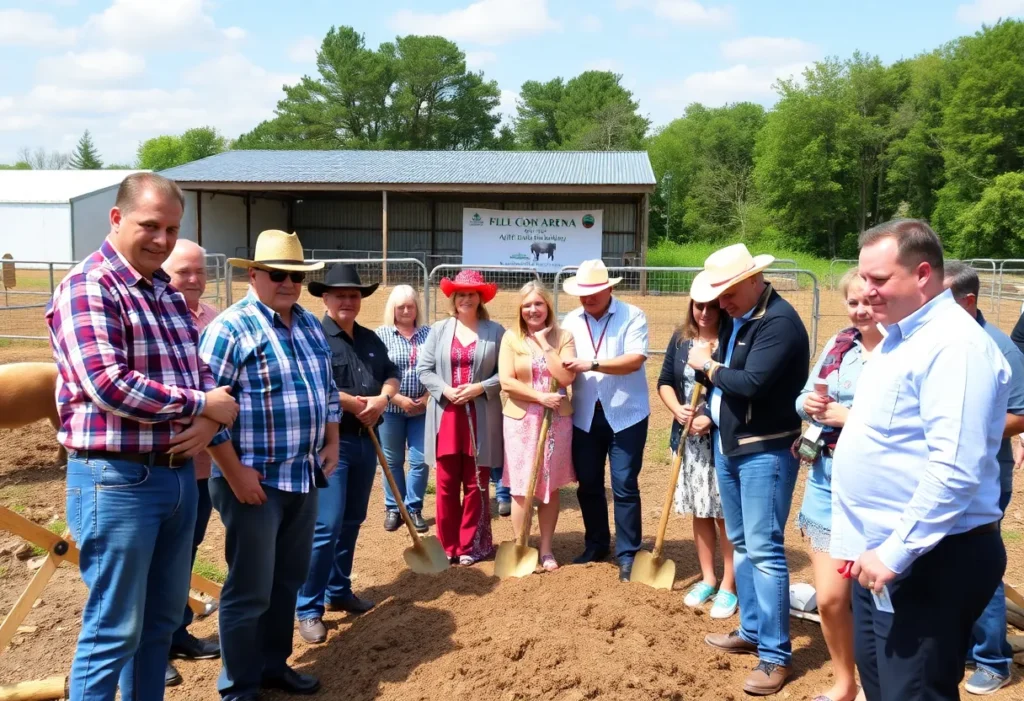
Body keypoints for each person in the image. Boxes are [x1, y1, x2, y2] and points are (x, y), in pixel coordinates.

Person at [46, 173, 239, 701]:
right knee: (114, 629)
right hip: (117, 478)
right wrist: (202, 406)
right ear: (116, 218)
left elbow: (198, 371)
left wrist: (209, 418)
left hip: (174, 476)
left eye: (171, 229)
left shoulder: (165, 294)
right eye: (150, 225)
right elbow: (107, 384)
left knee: (157, 625)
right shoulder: (90, 286)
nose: (162, 239)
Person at [831, 219, 1009, 701]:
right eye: (863, 277)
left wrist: (894, 552)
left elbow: (954, 470)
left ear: (923, 274)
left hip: (930, 558)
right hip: (885, 557)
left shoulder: (955, 346)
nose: (866, 290)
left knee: (913, 692)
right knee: (884, 686)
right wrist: (860, 543)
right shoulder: (899, 337)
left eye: (879, 279)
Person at [200, 230, 339, 701]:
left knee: (287, 581)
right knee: (250, 588)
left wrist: (332, 440)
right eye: (278, 274)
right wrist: (234, 472)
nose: (288, 284)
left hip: (303, 475)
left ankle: (273, 666)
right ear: (254, 275)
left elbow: (327, 391)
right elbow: (207, 409)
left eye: (296, 276)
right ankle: (239, 687)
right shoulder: (230, 329)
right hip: (254, 479)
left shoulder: (309, 325)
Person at [687, 243, 809, 696]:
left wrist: (707, 365)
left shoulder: (778, 322)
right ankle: (753, 630)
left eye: (728, 293)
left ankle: (775, 655)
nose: (722, 303)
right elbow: (729, 382)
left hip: (766, 450)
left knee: (764, 550)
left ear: (753, 280)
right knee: (741, 543)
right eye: (718, 294)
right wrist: (709, 388)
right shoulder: (742, 318)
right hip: (732, 446)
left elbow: (752, 383)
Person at [296, 264, 399, 644]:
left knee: (353, 519)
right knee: (326, 525)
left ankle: (338, 590)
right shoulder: (314, 337)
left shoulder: (370, 338)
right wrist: (355, 403)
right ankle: (308, 606)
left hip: (366, 440)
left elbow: (391, 374)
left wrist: (382, 399)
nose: (348, 301)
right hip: (330, 442)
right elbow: (314, 384)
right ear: (325, 298)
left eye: (353, 295)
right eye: (340, 295)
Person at [793, 268, 882, 701]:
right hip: (825, 480)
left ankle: (878, 685)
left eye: (869, 301)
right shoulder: (839, 344)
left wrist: (851, 419)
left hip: (876, 487)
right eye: (853, 302)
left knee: (875, 601)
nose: (861, 310)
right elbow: (804, 397)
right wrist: (808, 403)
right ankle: (845, 682)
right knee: (830, 598)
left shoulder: (903, 350)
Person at [943, 261, 1024, 696]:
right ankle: (966, 646)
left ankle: (993, 659)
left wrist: (968, 428)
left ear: (968, 301)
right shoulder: (941, 341)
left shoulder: (999, 348)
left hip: (985, 479)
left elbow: (1021, 415)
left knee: (978, 564)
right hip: (946, 474)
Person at [560, 260, 650, 582]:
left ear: (609, 288)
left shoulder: (633, 316)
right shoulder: (570, 321)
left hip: (626, 415)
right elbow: (562, 362)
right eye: (582, 293)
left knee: (624, 485)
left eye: (594, 292)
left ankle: (628, 554)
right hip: (585, 415)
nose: (587, 298)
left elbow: (635, 360)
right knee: (588, 484)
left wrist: (592, 364)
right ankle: (596, 544)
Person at [163, 239, 222, 687]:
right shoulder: (158, 317)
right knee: (154, 557)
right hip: (163, 461)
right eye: (184, 271)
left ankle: (176, 631)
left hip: (203, 465)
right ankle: (152, 644)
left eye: (200, 271)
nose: (194, 279)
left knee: (185, 550)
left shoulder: (213, 319)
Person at [417, 270, 506, 565]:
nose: (466, 299)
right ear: (453, 299)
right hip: (446, 415)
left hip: (481, 417)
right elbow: (424, 369)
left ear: (480, 298)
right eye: (461, 294)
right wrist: (445, 390)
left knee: (475, 484)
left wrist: (480, 387)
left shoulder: (495, 332)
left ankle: (470, 545)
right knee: (445, 485)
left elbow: (506, 374)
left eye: (471, 294)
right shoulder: (439, 330)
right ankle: (448, 545)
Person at [656, 296, 736, 619]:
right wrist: (677, 410)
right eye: (699, 306)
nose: (705, 313)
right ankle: (708, 579)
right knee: (700, 509)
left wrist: (712, 419)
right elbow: (664, 382)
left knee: (724, 513)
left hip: (720, 440)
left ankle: (729, 584)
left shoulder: (731, 340)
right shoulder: (681, 340)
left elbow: (739, 390)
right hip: (689, 442)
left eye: (712, 306)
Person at [498, 281, 577, 571]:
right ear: (520, 309)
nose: (533, 310)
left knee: (550, 487)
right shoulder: (511, 338)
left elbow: (566, 378)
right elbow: (507, 382)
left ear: (548, 306)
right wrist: (540, 397)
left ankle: (545, 549)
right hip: (521, 421)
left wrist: (545, 344)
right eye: (527, 305)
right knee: (521, 488)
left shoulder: (564, 337)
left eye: (538, 304)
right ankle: (521, 545)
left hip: (556, 422)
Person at [375, 285, 432, 533]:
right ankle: (393, 507)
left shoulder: (430, 334)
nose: (406, 311)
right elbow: (376, 373)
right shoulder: (381, 335)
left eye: (410, 306)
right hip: (391, 410)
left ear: (417, 308)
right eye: (401, 307)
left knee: (420, 460)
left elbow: (439, 369)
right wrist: (397, 399)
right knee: (392, 460)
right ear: (393, 309)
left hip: (422, 409)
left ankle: (414, 507)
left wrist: (428, 397)